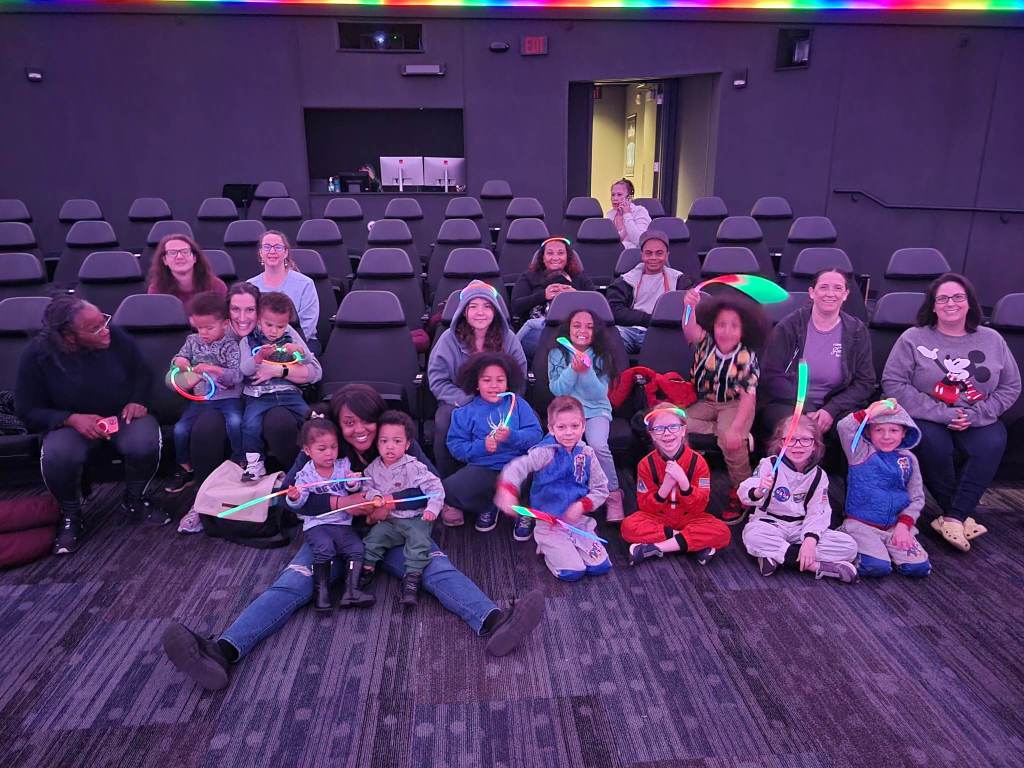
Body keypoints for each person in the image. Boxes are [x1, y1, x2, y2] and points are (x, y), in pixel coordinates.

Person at [162, 384, 545, 691]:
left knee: (437, 569)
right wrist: (341, 501)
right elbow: (295, 498)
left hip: (392, 531)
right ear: (337, 426)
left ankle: (495, 622)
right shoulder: (324, 447)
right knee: (290, 585)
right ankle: (223, 652)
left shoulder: (399, 444)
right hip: (334, 533)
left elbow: (429, 489)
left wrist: (386, 506)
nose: (359, 430)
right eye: (349, 423)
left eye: (367, 422)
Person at [15, 296, 165, 555]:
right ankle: (72, 514)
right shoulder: (37, 355)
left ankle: (134, 499)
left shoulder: (116, 337)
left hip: (120, 416)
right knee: (57, 455)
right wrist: (69, 418)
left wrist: (138, 401)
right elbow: (27, 409)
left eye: (103, 320)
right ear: (69, 337)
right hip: (70, 423)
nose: (105, 329)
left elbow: (143, 373)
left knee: (144, 441)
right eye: (94, 328)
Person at [882, 272, 1021, 551]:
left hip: (977, 415)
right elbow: (893, 382)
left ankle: (952, 517)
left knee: (993, 441)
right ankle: (958, 515)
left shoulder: (992, 339)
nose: (950, 303)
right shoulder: (913, 337)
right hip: (929, 415)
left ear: (969, 302)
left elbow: (1011, 385)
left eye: (958, 297)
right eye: (942, 298)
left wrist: (977, 414)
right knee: (933, 443)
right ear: (933, 306)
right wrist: (942, 413)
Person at [494, 396, 612, 581]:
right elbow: (517, 467)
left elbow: (601, 488)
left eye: (575, 426)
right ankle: (547, 546)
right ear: (551, 428)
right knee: (573, 572)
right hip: (548, 523)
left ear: (583, 426)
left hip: (578, 520)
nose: (569, 433)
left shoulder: (587, 454)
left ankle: (566, 545)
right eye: (561, 427)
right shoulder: (544, 452)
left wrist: (582, 505)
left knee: (600, 566)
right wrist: (507, 490)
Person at [427, 280, 528, 485]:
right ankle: (448, 489)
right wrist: (468, 402)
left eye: (487, 306)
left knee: (529, 420)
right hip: (461, 402)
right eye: (473, 306)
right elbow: (438, 380)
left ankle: (518, 488)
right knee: (444, 420)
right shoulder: (448, 339)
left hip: (501, 400)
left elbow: (519, 377)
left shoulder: (508, 339)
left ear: (496, 310)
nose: (480, 312)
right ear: (463, 312)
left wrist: (499, 400)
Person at [738, 414, 858, 582]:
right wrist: (759, 490)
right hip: (770, 524)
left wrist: (810, 540)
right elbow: (745, 492)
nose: (797, 446)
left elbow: (818, 511)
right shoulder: (769, 465)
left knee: (849, 546)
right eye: (790, 440)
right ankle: (813, 566)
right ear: (781, 443)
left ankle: (777, 556)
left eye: (805, 440)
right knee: (753, 536)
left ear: (815, 445)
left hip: (800, 527)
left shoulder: (818, 476)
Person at [682, 289, 766, 523]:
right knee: (673, 423)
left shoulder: (746, 356)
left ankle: (743, 493)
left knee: (732, 440)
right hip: (706, 401)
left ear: (743, 330)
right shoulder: (705, 340)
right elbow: (689, 330)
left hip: (736, 404)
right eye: (721, 325)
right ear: (712, 325)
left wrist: (735, 429)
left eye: (733, 326)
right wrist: (688, 307)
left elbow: (748, 399)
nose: (726, 331)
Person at [759, 268, 875, 437]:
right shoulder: (789, 326)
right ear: (812, 293)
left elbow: (865, 381)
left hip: (839, 406)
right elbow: (771, 375)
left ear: (846, 294)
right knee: (797, 429)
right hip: (789, 404)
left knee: (852, 428)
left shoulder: (857, 331)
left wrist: (831, 409)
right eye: (824, 287)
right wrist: (806, 408)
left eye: (837, 288)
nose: (830, 293)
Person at [445, 352, 543, 538]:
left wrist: (512, 437)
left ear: (508, 382)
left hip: (519, 467)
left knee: (539, 476)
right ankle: (488, 504)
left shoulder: (518, 404)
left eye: (500, 380)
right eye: (487, 380)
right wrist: (481, 446)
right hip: (484, 467)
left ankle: (523, 510)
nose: (493, 385)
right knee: (449, 489)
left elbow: (536, 435)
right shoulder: (464, 413)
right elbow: (455, 446)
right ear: (476, 383)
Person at [285, 418, 374, 611]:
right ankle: (321, 594)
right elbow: (300, 503)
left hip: (342, 522)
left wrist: (352, 481)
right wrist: (295, 496)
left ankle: (351, 591)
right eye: (322, 448)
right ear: (308, 451)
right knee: (324, 549)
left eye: (333, 447)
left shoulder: (343, 465)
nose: (329, 453)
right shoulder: (305, 475)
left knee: (357, 548)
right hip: (317, 525)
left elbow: (352, 489)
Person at [624, 404, 730, 566]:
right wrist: (665, 487)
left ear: (683, 431)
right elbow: (645, 506)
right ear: (652, 435)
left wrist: (684, 483)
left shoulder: (698, 462)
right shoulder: (646, 464)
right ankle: (691, 544)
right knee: (628, 526)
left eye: (673, 427)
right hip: (659, 517)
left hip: (689, 517)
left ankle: (654, 548)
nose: (667, 433)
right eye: (659, 429)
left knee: (722, 532)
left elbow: (700, 506)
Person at [836, 399, 931, 578]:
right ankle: (846, 544)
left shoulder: (909, 459)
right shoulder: (859, 452)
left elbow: (916, 497)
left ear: (904, 432)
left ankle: (886, 551)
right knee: (877, 567)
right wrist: (871, 413)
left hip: (895, 527)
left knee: (919, 568)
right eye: (879, 430)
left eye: (894, 430)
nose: (886, 436)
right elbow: (844, 427)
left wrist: (904, 526)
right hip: (861, 525)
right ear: (869, 433)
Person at [360, 410, 446, 608]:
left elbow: (434, 487)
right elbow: (367, 487)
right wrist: (375, 497)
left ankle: (411, 581)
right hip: (389, 519)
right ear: (377, 443)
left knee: (419, 543)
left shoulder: (414, 467)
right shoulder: (373, 468)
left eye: (397, 441)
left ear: (407, 445)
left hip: (415, 518)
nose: (390, 446)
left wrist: (432, 508)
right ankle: (366, 570)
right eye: (384, 441)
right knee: (374, 539)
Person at [546, 309, 624, 522]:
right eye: (577, 325)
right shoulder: (557, 354)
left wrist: (586, 370)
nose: (583, 330)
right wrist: (573, 369)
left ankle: (613, 495)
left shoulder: (601, 356)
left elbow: (599, 393)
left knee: (598, 444)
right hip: (567, 411)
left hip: (596, 409)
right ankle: (568, 494)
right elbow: (558, 390)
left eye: (589, 327)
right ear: (568, 328)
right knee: (563, 446)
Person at [164, 291, 244, 494]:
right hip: (200, 397)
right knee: (180, 429)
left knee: (235, 422)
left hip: (227, 397)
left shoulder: (231, 345)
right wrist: (179, 361)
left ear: (225, 324)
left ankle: (239, 460)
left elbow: (236, 376)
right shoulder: (192, 341)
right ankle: (184, 467)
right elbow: (179, 359)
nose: (204, 333)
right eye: (200, 328)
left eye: (209, 327)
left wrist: (213, 370)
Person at [238, 292, 321, 482]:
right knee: (250, 424)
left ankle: (317, 454)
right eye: (269, 325)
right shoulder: (247, 340)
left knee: (307, 415)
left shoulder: (290, 335)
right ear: (258, 320)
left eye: (280, 326)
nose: (274, 331)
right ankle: (254, 464)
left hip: (286, 391)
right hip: (258, 394)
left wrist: (298, 351)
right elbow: (244, 369)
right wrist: (257, 358)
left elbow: (308, 359)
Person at [607, 229, 690, 354]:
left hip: (662, 332)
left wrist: (657, 322)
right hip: (629, 331)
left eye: (659, 253)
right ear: (642, 255)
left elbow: (688, 312)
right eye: (648, 253)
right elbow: (615, 310)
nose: (653, 258)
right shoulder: (625, 280)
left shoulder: (680, 280)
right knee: (607, 339)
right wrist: (648, 319)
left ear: (667, 255)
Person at [511, 237, 594, 359]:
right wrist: (543, 295)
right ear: (542, 258)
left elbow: (598, 304)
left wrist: (576, 295)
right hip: (538, 331)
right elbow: (515, 306)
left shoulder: (579, 277)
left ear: (568, 256)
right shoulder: (528, 277)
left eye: (561, 253)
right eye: (550, 253)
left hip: (572, 330)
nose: (555, 257)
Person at [247, 230, 321, 354]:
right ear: (260, 253)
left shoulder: (305, 283)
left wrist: (284, 346)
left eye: (278, 247)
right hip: (259, 343)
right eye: (266, 247)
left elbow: (307, 325)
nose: (272, 251)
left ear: (286, 252)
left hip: (300, 343)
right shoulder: (250, 286)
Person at [147, 234, 227, 307]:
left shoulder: (216, 286)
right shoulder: (156, 289)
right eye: (172, 253)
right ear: (165, 260)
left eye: (185, 252)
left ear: (194, 258)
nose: (179, 257)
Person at [605, 178, 652, 249]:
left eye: (619, 194)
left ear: (629, 198)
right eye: (613, 195)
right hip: (614, 254)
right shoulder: (610, 215)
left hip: (634, 254)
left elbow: (639, 241)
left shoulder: (640, 211)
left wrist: (627, 214)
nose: (615, 198)